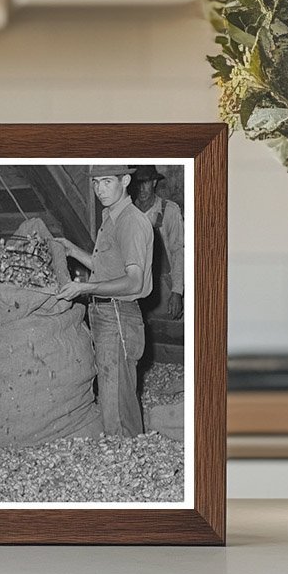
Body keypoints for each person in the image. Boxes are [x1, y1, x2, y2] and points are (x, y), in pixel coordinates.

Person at [55, 165, 154, 438]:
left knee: (116, 399)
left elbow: (133, 282)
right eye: (96, 182)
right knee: (113, 393)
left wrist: (85, 287)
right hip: (105, 313)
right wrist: (72, 250)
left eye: (107, 181)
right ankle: (122, 450)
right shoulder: (111, 217)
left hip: (119, 314)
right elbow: (105, 268)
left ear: (125, 180)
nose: (100, 189)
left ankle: (123, 452)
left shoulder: (130, 221)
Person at [131, 165, 184, 321]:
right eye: (138, 183)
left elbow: (178, 252)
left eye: (146, 182)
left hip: (162, 290)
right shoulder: (128, 212)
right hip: (134, 290)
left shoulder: (169, 211)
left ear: (154, 182)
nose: (141, 189)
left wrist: (177, 291)